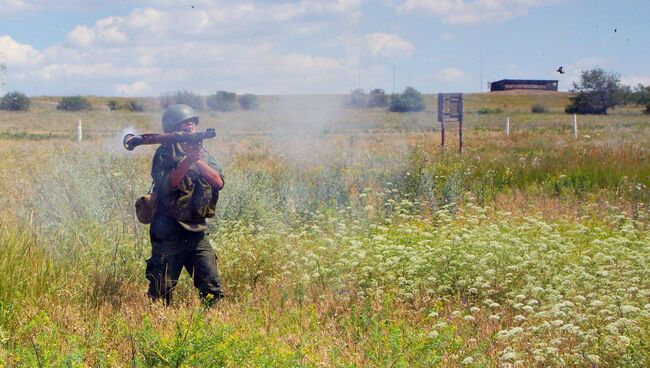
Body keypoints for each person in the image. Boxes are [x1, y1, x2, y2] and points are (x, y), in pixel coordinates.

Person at [146, 104, 225, 306]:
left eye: (193, 122)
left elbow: (218, 182)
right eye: (186, 122)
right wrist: (186, 160)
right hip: (168, 232)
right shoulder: (164, 154)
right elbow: (168, 184)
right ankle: (159, 326)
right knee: (161, 292)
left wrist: (196, 160)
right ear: (174, 127)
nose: (191, 126)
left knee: (210, 287)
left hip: (196, 232)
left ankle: (212, 324)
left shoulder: (204, 155)